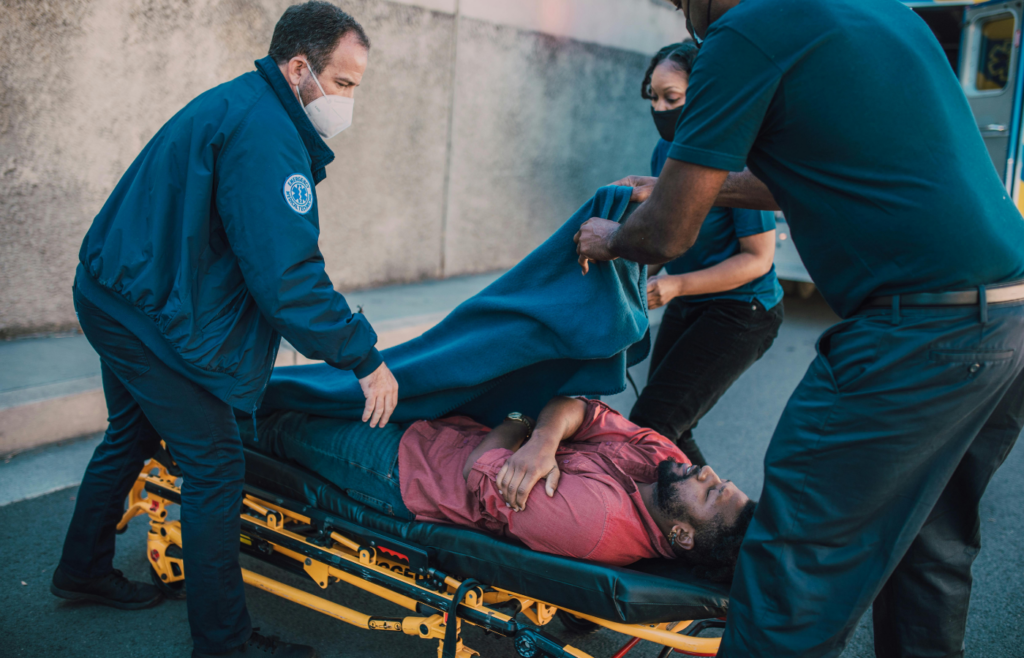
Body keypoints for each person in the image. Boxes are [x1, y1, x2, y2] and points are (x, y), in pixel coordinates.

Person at [574, 0, 1024, 656]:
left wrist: (610, 236)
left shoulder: (744, 32)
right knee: (930, 550)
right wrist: (685, 186)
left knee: (792, 567)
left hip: (921, 328)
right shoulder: (878, 11)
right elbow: (814, 169)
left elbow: (669, 232)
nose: (685, 17)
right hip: (1008, 314)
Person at [51, 4, 397, 657]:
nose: (349, 101)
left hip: (117, 291)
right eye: (344, 83)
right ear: (300, 69)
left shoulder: (246, 105)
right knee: (214, 466)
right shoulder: (267, 135)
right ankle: (223, 644)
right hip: (146, 308)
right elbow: (287, 278)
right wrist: (363, 356)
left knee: (130, 432)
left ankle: (83, 569)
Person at [246, 395, 755, 578]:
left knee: (284, 429)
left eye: (711, 493)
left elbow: (479, 470)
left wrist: (521, 424)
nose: (707, 472)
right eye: (722, 480)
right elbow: (580, 406)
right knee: (309, 400)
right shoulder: (668, 464)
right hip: (444, 427)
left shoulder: (594, 521)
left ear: (683, 536)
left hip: (404, 474)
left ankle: (194, 437)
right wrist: (541, 439)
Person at [631, 41, 783, 466]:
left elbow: (758, 259)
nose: (661, 109)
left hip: (743, 309)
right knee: (661, 427)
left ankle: (724, 524)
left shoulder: (737, 156)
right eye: (654, 98)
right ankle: (712, 521)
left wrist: (675, 284)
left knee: (654, 423)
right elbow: (664, 236)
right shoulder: (665, 152)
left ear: (703, 95)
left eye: (672, 98)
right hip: (688, 300)